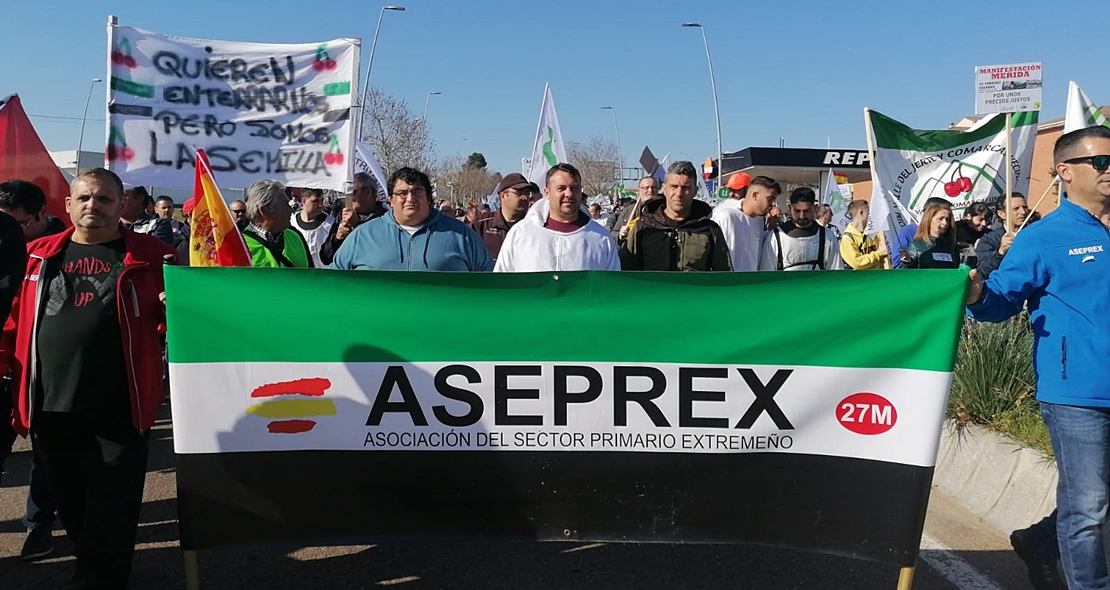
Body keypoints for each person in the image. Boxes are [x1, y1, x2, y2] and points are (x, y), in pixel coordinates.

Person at [0, 167, 175, 590]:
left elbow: (182, 321)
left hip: (120, 406)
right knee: (71, 503)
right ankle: (90, 567)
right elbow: (15, 320)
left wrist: (176, 308)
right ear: (68, 204)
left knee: (113, 507)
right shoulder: (39, 254)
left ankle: (103, 579)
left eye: (103, 199)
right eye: (83, 198)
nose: (92, 206)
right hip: (51, 404)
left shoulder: (153, 255)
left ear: (123, 205)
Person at [967, 125, 1110, 590]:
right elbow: (1001, 301)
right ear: (1065, 172)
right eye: (1102, 162)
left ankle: (1040, 542)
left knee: (1094, 502)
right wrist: (975, 293)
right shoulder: (1045, 236)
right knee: (1088, 507)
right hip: (1076, 393)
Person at [0, 180, 62, 561]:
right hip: (6, 366)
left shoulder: (65, 250)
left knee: (48, 455)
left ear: (41, 215)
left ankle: (39, 526)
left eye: (16, 224)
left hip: (44, 372)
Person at [329, 167, 492, 271]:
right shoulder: (363, 236)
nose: (410, 198)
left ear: (429, 198)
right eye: (402, 193)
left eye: (417, 192)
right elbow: (334, 284)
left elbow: (489, 282)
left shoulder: (461, 235)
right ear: (391, 200)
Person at [494, 163, 620, 272]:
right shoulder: (521, 234)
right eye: (561, 188)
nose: (569, 194)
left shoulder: (601, 238)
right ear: (547, 193)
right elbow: (502, 285)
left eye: (574, 188)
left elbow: (612, 289)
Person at [620, 161, 731, 271]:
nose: (679, 193)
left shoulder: (710, 230)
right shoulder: (643, 227)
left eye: (685, 187)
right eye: (674, 186)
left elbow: (724, 276)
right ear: (664, 189)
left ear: (695, 191)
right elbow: (625, 272)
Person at [760, 187, 842, 271]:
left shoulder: (827, 236)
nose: (802, 216)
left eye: (806, 211)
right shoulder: (776, 237)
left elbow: (836, 271)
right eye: (797, 211)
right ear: (789, 208)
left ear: (815, 208)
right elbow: (766, 272)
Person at [712, 174, 780, 271]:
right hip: (728, 284)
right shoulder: (725, 216)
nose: (773, 204)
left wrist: (771, 229)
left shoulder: (759, 220)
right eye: (770, 198)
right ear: (755, 195)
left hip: (751, 284)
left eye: (736, 190)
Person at [319, 172, 389, 266]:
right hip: (344, 277)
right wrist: (337, 238)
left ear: (368, 192)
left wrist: (356, 226)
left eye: (353, 192)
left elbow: (377, 256)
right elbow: (326, 258)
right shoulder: (342, 216)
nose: (349, 197)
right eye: (346, 193)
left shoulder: (385, 218)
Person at [241, 180, 313, 268]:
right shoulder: (239, 246)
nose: (290, 210)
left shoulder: (295, 236)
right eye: (285, 205)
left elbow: (311, 278)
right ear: (264, 210)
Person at [472, 173, 532, 260]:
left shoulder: (534, 225)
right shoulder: (481, 225)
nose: (525, 197)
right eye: (519, 193)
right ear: (503, 196)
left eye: (527, 193)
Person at [976, 194, 1032, 279]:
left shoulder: (1033, 235)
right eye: (1016, 209)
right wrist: (1000, 252)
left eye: (1024, 207)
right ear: (1001, 214)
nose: (1023, 212)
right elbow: (983, 272)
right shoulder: (989, 240)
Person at [893, 196, 952, 268]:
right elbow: (898, 262)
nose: (945, 223)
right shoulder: (907, 232)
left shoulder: (949, 242)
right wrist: (909, 262)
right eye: (940, 218)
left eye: (947, 219)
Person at [0, 179, 68, 239]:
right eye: (2, 223)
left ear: (42, 212)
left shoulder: (63, 247)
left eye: (20, 225)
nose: (8, 231)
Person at [289, 187, 335, 268]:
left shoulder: (331, 223)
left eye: (321, 200)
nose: (320, 205)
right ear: (303, 201)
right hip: (297, 274)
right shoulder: (291, 222)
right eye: (315, 201)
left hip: (322, 275)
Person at [839, 200, 889, 270]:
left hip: (879, 277)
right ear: (861, 212)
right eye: (868, 211)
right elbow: (857, 262)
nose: (870, 215)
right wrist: (878, 254)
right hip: (861, 279)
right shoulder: (848, 239)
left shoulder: (873, 232)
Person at [610, 176, 659, 243]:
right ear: (639, 190)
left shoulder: (665, 210)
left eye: (653, 187)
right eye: (646, 188)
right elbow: (613, 235)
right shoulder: (628, 210)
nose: (650, 190)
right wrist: (620, 234)